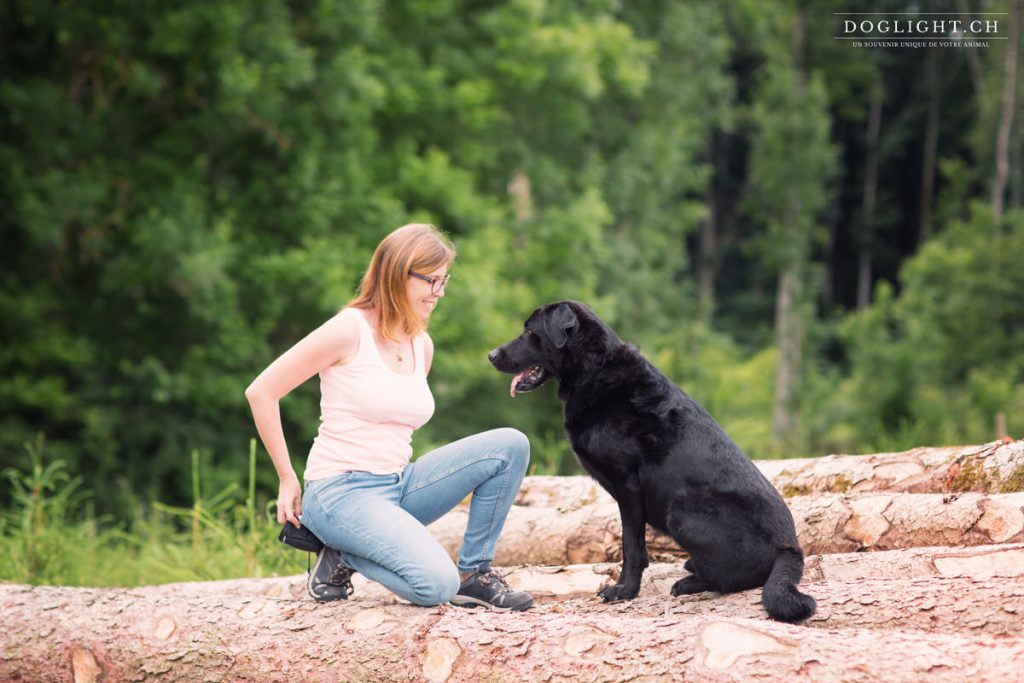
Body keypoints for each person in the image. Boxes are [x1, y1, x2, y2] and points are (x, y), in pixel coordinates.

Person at [245, 223, 533, 611]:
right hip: (340, 493)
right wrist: (285, 477)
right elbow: (261, 392)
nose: (440, 292)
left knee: (510, 445)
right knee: (436, 586)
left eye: (444, 280)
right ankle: (343, 550)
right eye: (432, 281)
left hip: (398, 485)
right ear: (399, 274)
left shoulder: (421, 345)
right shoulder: (348, 330)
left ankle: (476, 573)